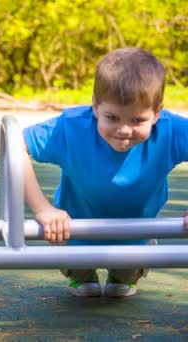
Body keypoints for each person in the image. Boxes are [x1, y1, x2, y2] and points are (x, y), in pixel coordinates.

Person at [22, 47, 188, 297]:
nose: (124, 129)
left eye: (137, 120)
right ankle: (80, 273)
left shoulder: (170, 130)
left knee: (121, 283)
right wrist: (43, 209)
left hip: (137, 231)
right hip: (74, 229)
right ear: (95, 106)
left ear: (157, 113)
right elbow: (15, 143)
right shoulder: (72, 127)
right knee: (81, 273)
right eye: (112, 117)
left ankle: (133, 264)